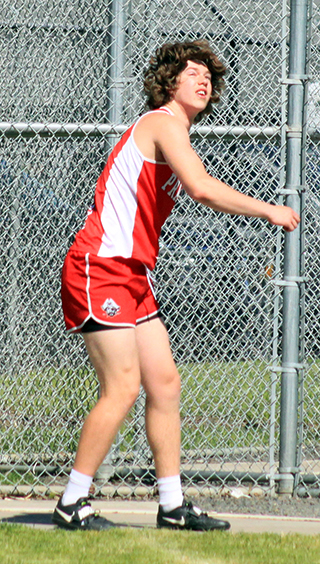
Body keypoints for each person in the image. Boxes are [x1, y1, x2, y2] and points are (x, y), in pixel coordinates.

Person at [52, 39, 300, 531]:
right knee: (122, 386)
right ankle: (73, 500)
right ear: (168, 83)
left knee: (164, 383)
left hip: (133, 274)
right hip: (101, 265)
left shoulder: (176, 130)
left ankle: (172, 506)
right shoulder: (162, 123)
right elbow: (201, 187)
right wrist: (268, 209)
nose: (202, 79)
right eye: (190, 73)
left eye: (207, 74)